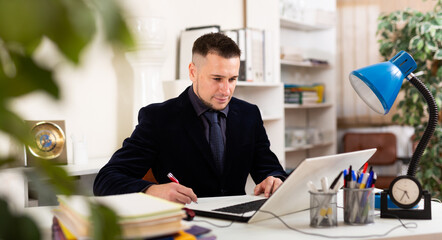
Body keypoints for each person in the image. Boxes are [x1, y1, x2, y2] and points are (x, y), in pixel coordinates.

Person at [93, 32, 287, 204]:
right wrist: (151, 190)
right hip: (186, 223)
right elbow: (106, 180)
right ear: (193, 72)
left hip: (239, 224)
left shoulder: (249, 114)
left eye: (232, 79)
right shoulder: (158, 118)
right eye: (217, 79)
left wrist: (274, 179)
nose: (226, 90)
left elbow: (271, 169)